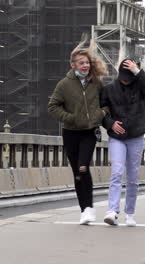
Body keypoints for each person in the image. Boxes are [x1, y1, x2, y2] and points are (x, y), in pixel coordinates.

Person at [48, 39, 108, 225]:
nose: (85, 66)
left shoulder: (96, 83)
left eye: (87, 63)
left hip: (89, 132)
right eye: (81, 63)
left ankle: (89, 207)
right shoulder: (64, 85)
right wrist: (70, 117)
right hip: (71, 132)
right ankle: (84, 210)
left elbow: (106, 103)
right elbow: (52, 107)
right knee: (77, 172)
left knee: (83, 167)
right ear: (73, 65)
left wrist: (101, 113)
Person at [100, 59, 145, 226]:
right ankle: (112, 210)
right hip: (117, 136)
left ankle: (130, 212)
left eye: (129, 76)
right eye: (123, 76)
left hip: (136, 135)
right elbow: (101, 112)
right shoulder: (108, 90)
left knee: (133, 176)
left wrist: (137, 71)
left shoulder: (140, 88)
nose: (125, 80)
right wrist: (110, 124)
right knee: (117, 171)